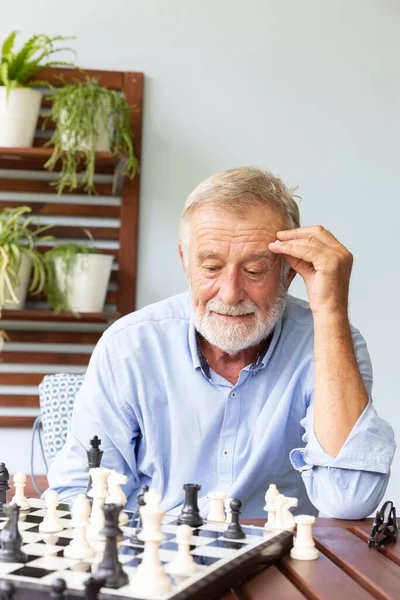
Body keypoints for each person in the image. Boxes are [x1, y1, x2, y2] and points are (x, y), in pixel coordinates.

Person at [48, 166, 396, 518]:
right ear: (185, 260)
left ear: (289, 271)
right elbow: (79, 491)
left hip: (283, 564)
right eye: (212, 267)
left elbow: (350, 500)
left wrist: (330, 309)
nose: (230, 295)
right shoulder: (128, 347)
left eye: (255, 271)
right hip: (159, 558)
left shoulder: (333, 342)